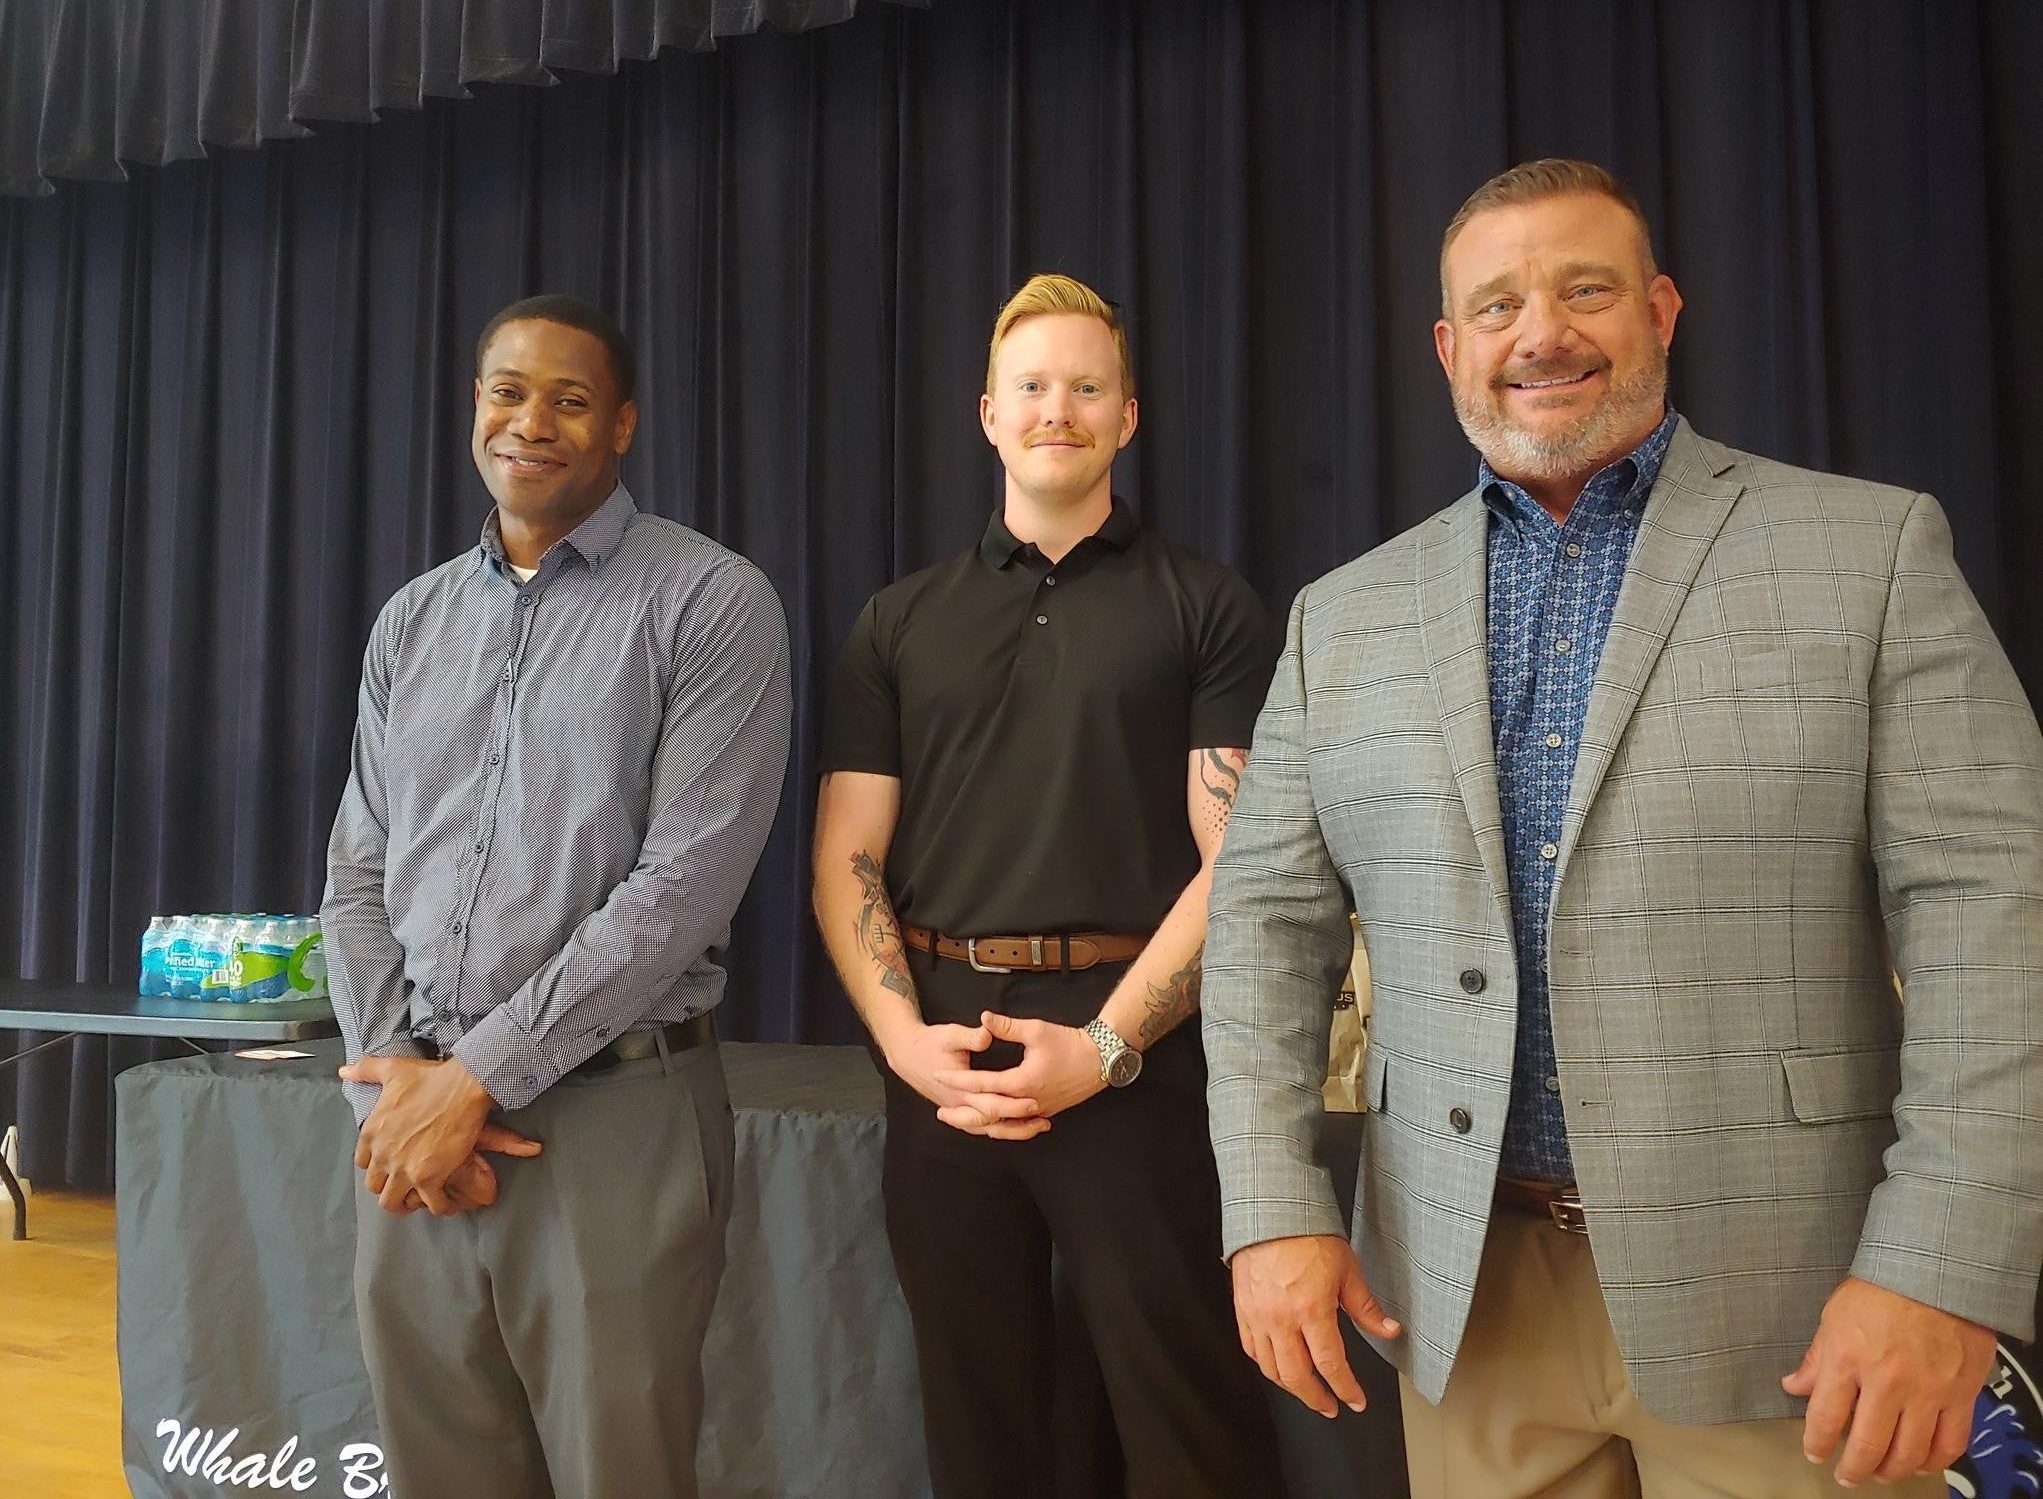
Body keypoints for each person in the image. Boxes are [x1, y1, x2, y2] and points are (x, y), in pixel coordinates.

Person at [1202, 159, 2043, 1498]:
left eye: (1582, 289)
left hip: (1799, 1317)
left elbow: (1995, 923)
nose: (1539, 331)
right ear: (1446, 348)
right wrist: (1269, 1210)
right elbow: (1259, 933)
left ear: (1658, 310)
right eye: (1495, 306)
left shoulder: (1867, 555)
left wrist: (1937, 1267)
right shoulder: (1339, 617)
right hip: (1461, 1309)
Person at [813, 273, 1287, 1499]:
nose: (1056, 410)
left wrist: (1108, 1050)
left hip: (1138, 1062)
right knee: (982, 1430)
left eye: (1087, 387)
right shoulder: (896, 621)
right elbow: (847, 856)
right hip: (943, 1065)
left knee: (1192, 1421)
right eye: (1032, 387)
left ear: (1128, 417)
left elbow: (1236, 864)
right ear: (987, 414)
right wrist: (903, 1046)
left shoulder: (1210, 607)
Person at [320, 293, 792, 1499]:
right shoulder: (410, 621)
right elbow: (357, 872)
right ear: (475, 406)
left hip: (614, 1118)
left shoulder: (712, 602)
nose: (532, 420)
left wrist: (473, 1084)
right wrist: (399, 1070)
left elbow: (682, 888)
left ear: (621, 424)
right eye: (507, 390)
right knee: (443, 1473)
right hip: (414, 1128)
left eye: (569, 399)